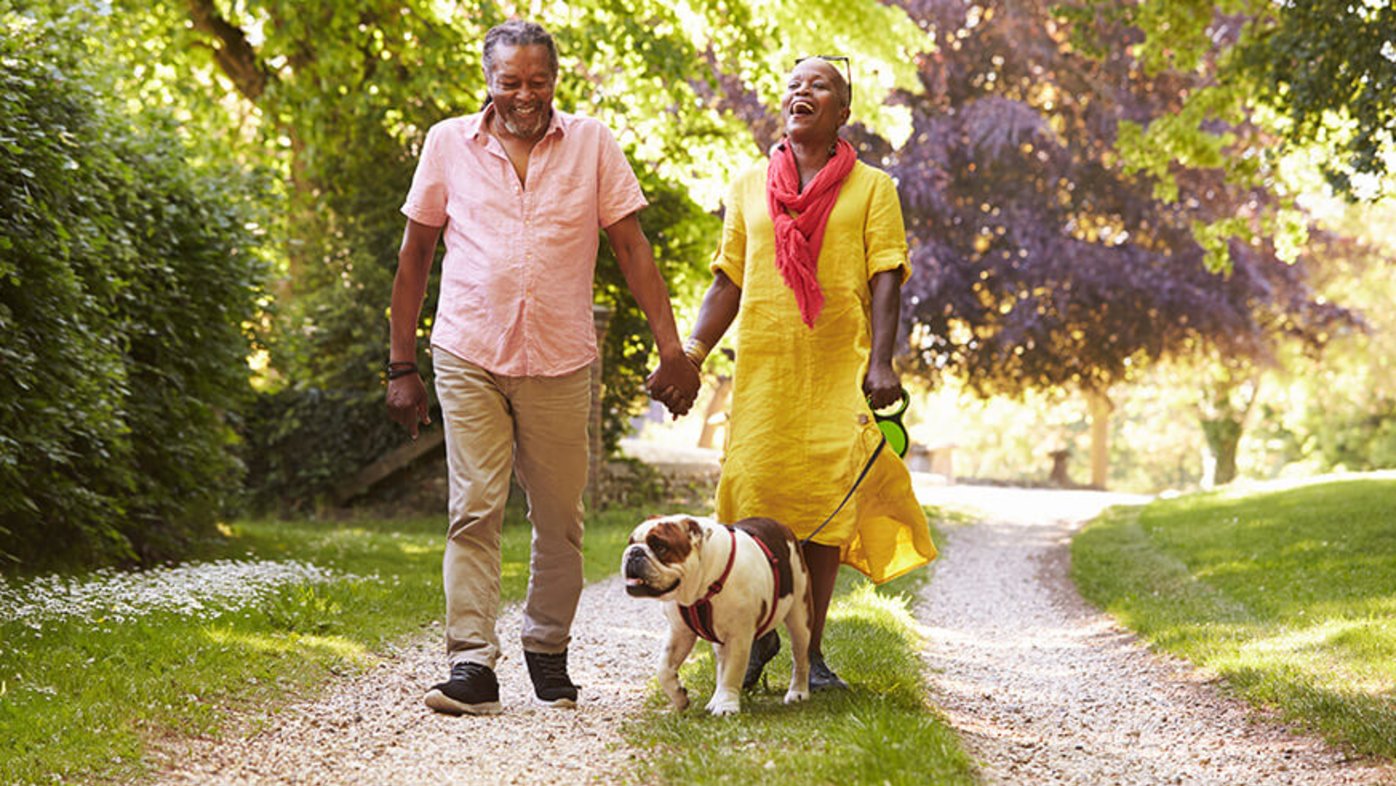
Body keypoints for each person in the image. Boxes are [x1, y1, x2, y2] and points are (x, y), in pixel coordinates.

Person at [386, 19, 700, 716]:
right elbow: (414, 257)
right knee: (474, 509)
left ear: (555, 80)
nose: (525, 96)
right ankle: (472, 664)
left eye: (538, 81)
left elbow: (631, 247)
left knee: (560, 518)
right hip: (468, 350)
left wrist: (671, 348)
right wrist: (400, 364)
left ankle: (547, 648)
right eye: (510, 83)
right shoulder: (447, 144)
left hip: (559, 359)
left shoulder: (592, 144)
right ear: (488, 82)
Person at [671, 56, 937, 690]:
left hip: (835, 369)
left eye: (819, 85)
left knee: (823, 513)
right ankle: (753, 636)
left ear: (843, 111)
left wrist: (881, 361)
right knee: (753, 500)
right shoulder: (747, 186)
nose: (801, 92)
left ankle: (808, 656)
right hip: (764, 371)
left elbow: (886, 277)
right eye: (793, 84)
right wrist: (692, 352)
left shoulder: (873, 188)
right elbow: (728, 280)